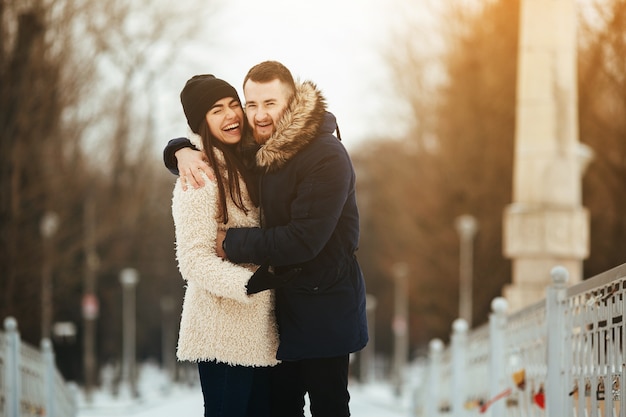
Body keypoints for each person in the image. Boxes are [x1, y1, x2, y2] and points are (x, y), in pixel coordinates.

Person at [164, 61, 368, 417]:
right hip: (272, 315)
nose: (255, 114)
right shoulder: (257, 150)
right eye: (251, 104)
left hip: (323, 307)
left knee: (328, 407)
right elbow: (211, 145)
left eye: (269, 103)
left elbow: (303, 240)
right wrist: (179, 149)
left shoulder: (325, 155)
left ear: (292, 102)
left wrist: (229, 243)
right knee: (279, 409)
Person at [170, 74, 297, 417]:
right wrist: (247, 284)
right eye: (216, 110)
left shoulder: (247, 161)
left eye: (232, 105)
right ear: (202, 123)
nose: (231, 116)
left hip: (257, 331)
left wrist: (176, 148)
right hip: (222, 331)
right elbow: (193, 259)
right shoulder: (199, 178)